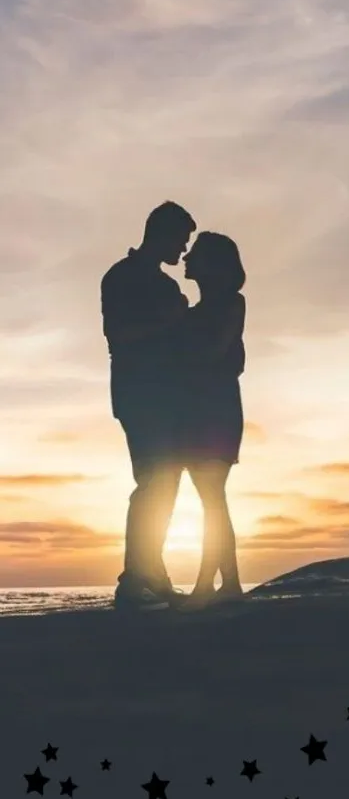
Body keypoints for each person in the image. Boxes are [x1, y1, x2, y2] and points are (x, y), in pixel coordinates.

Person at [101, 201, 196, 610]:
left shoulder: (166, 285)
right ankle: (134, 579)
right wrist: (172, 322)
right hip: (140, 395)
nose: (184, 249)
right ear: (161, 233)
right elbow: (119, 336)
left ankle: (152, 574)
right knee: (152, 482)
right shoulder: (121, 277)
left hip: (168, 396)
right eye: (182, 239)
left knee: (166, 484)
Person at [176, 231, 246, 611]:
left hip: (216, 411)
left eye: (195, 255)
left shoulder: (232, 303)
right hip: (197, 410)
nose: (186, 259)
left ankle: (210, 583)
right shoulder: (189, 312)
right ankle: (229, 581)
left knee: (212, 497)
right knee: (211, 499)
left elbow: (216, 352)